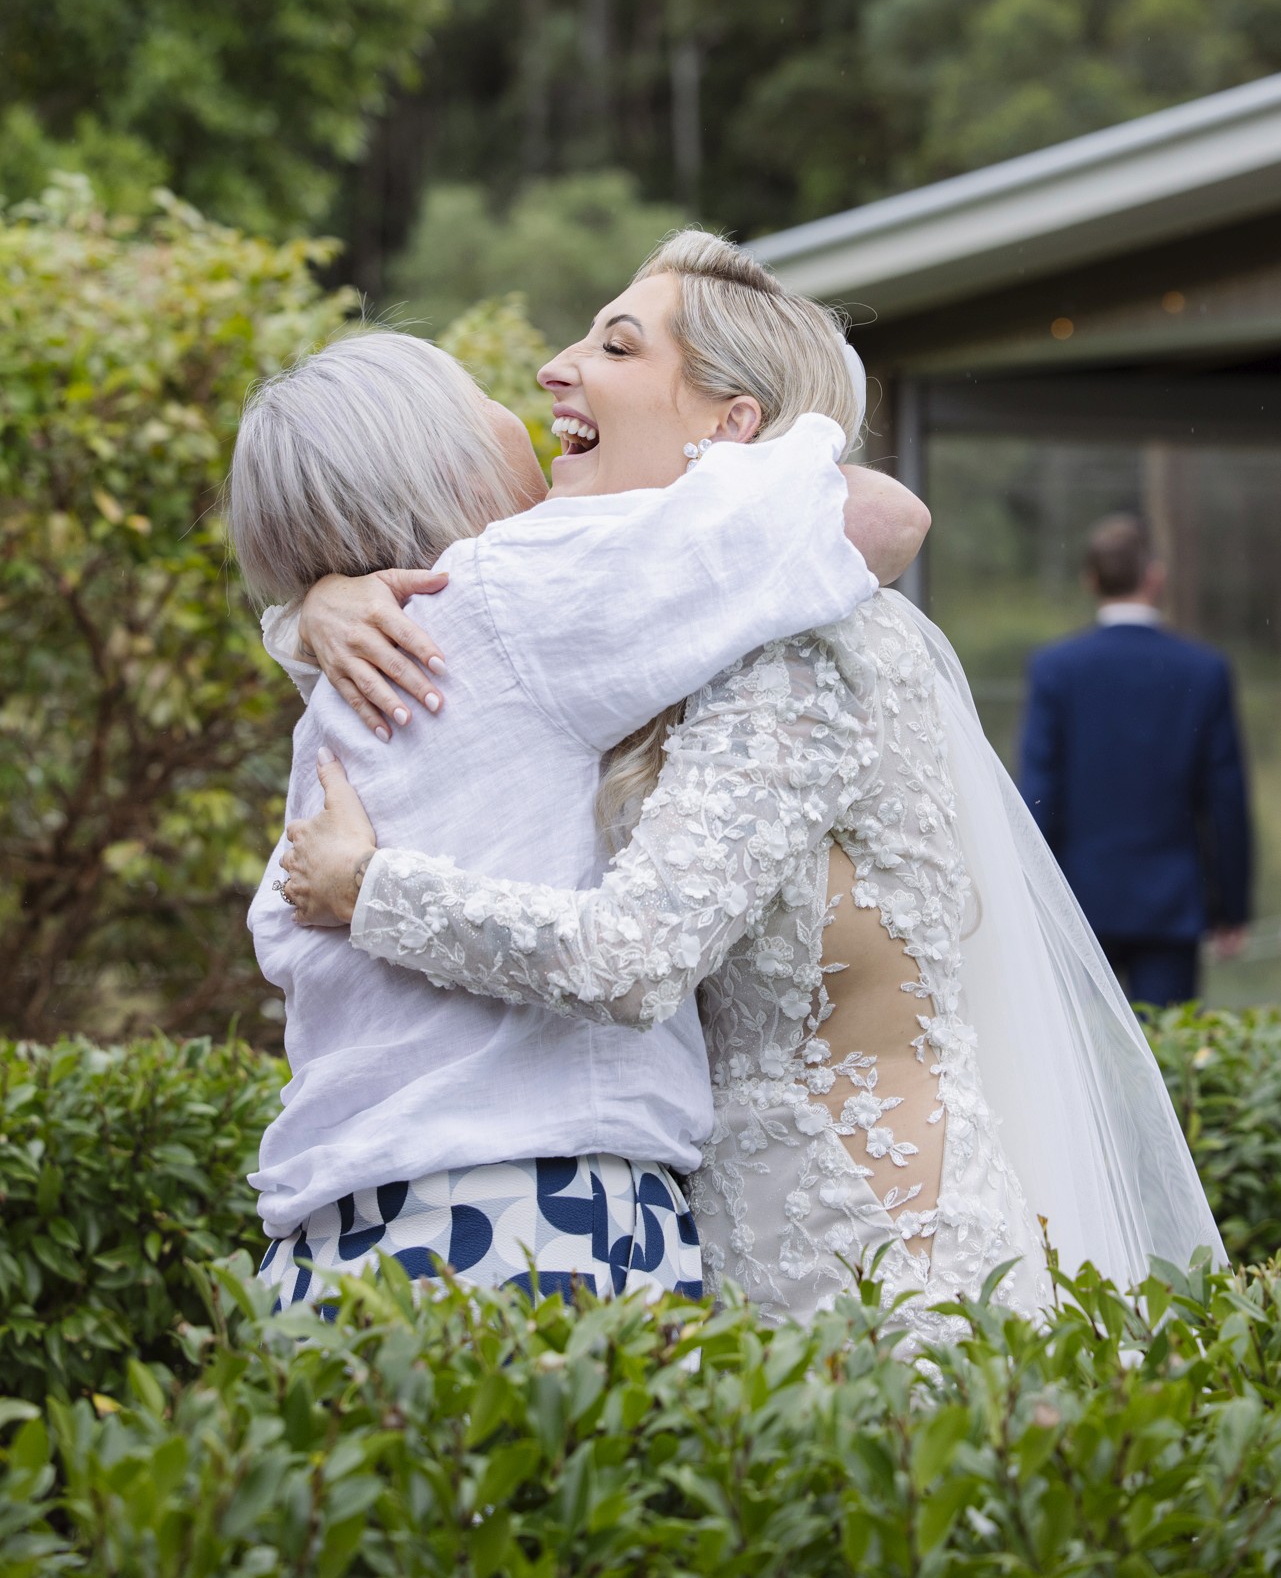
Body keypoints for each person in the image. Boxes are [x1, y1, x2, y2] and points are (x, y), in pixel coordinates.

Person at [280, 253, 1226, 1335]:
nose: (556, 368)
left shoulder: (802, 648)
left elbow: (631, 958)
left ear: (733, 426)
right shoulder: (669, 632)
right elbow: (462, 645)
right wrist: (319, 600)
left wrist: (367, 891)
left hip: (871, 1259)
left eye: (615, 344)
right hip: (717, 1255)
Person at [231, 232, 930, 1311]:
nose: (544, 381)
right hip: (528, 1211)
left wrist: (306, 605)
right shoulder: (519, 590)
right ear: (446, 466)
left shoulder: (338, 697)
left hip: (328, 1233)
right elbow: (881, 513)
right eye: (484, 398)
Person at [1020, 514, 1252, 1009]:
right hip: (1170, 905)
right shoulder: (1204, 670)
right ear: (1155, 576)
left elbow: (1040, 791)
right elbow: (1225, 798)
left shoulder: (1056, 669)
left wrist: (1033, 898)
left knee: (1083, 1071)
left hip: (1077, 902)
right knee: (1167, 1062)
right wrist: (1232, 908)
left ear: (1090, 579)